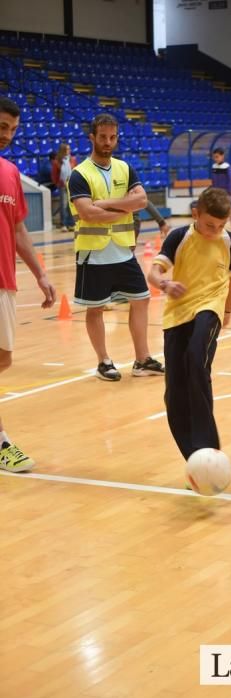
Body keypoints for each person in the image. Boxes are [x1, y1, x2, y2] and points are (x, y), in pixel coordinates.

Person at [147, 188, 231, 461]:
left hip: (210, 307)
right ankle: (195, 459)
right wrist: (165, 284)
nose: (215, 231)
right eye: (209, 224)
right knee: (174, 392)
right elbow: (153, 273)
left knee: (196, 359)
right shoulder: (179, 237)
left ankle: (208, 447)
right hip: (177, 314)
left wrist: (226, 309)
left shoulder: (230, 242)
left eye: (221, 226)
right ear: (195, 214)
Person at [67, 112, 164, 381]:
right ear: (92, 138)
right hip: (93, 252)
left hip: (122, 249)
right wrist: (124, 207)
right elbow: (88, 213)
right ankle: (103, 362)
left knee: (142, 299)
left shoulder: (124, 168)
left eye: (112, 137)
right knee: (95, 308)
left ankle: (142, 360)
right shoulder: (79, 174)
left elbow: (142, 200)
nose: (108, 142)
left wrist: (105, 204)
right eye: (103, 137)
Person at [0, 96, 56, 472]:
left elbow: (17, 227)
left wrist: (40, 272)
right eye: (3, 126)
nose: (7, 134)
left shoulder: (10, 172)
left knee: (3, 358)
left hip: (5, 279)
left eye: (13, 129)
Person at [211, 147, 231, 233]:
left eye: (217, 157)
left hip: (226, 194)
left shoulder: (227, 167)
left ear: (222, 156)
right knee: (218, 213)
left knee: (230, 212)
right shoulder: (214, 167)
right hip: (217, 194)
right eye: (214, 157)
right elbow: (214, 181)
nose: (216, 159)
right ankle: (218, 230)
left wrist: (229, 194)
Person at [52, 142, 76, 231]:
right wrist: (58, 183)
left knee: (71, 205)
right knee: (63, 205)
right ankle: (63, 224)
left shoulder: (72, 160)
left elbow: (75, 171)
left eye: (69, 149)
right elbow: (54, 175)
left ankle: (71, 223)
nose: (69, 151)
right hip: (62, 185)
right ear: (63, 150)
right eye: (67, 149)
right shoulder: (57, 161)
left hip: (71, 185)